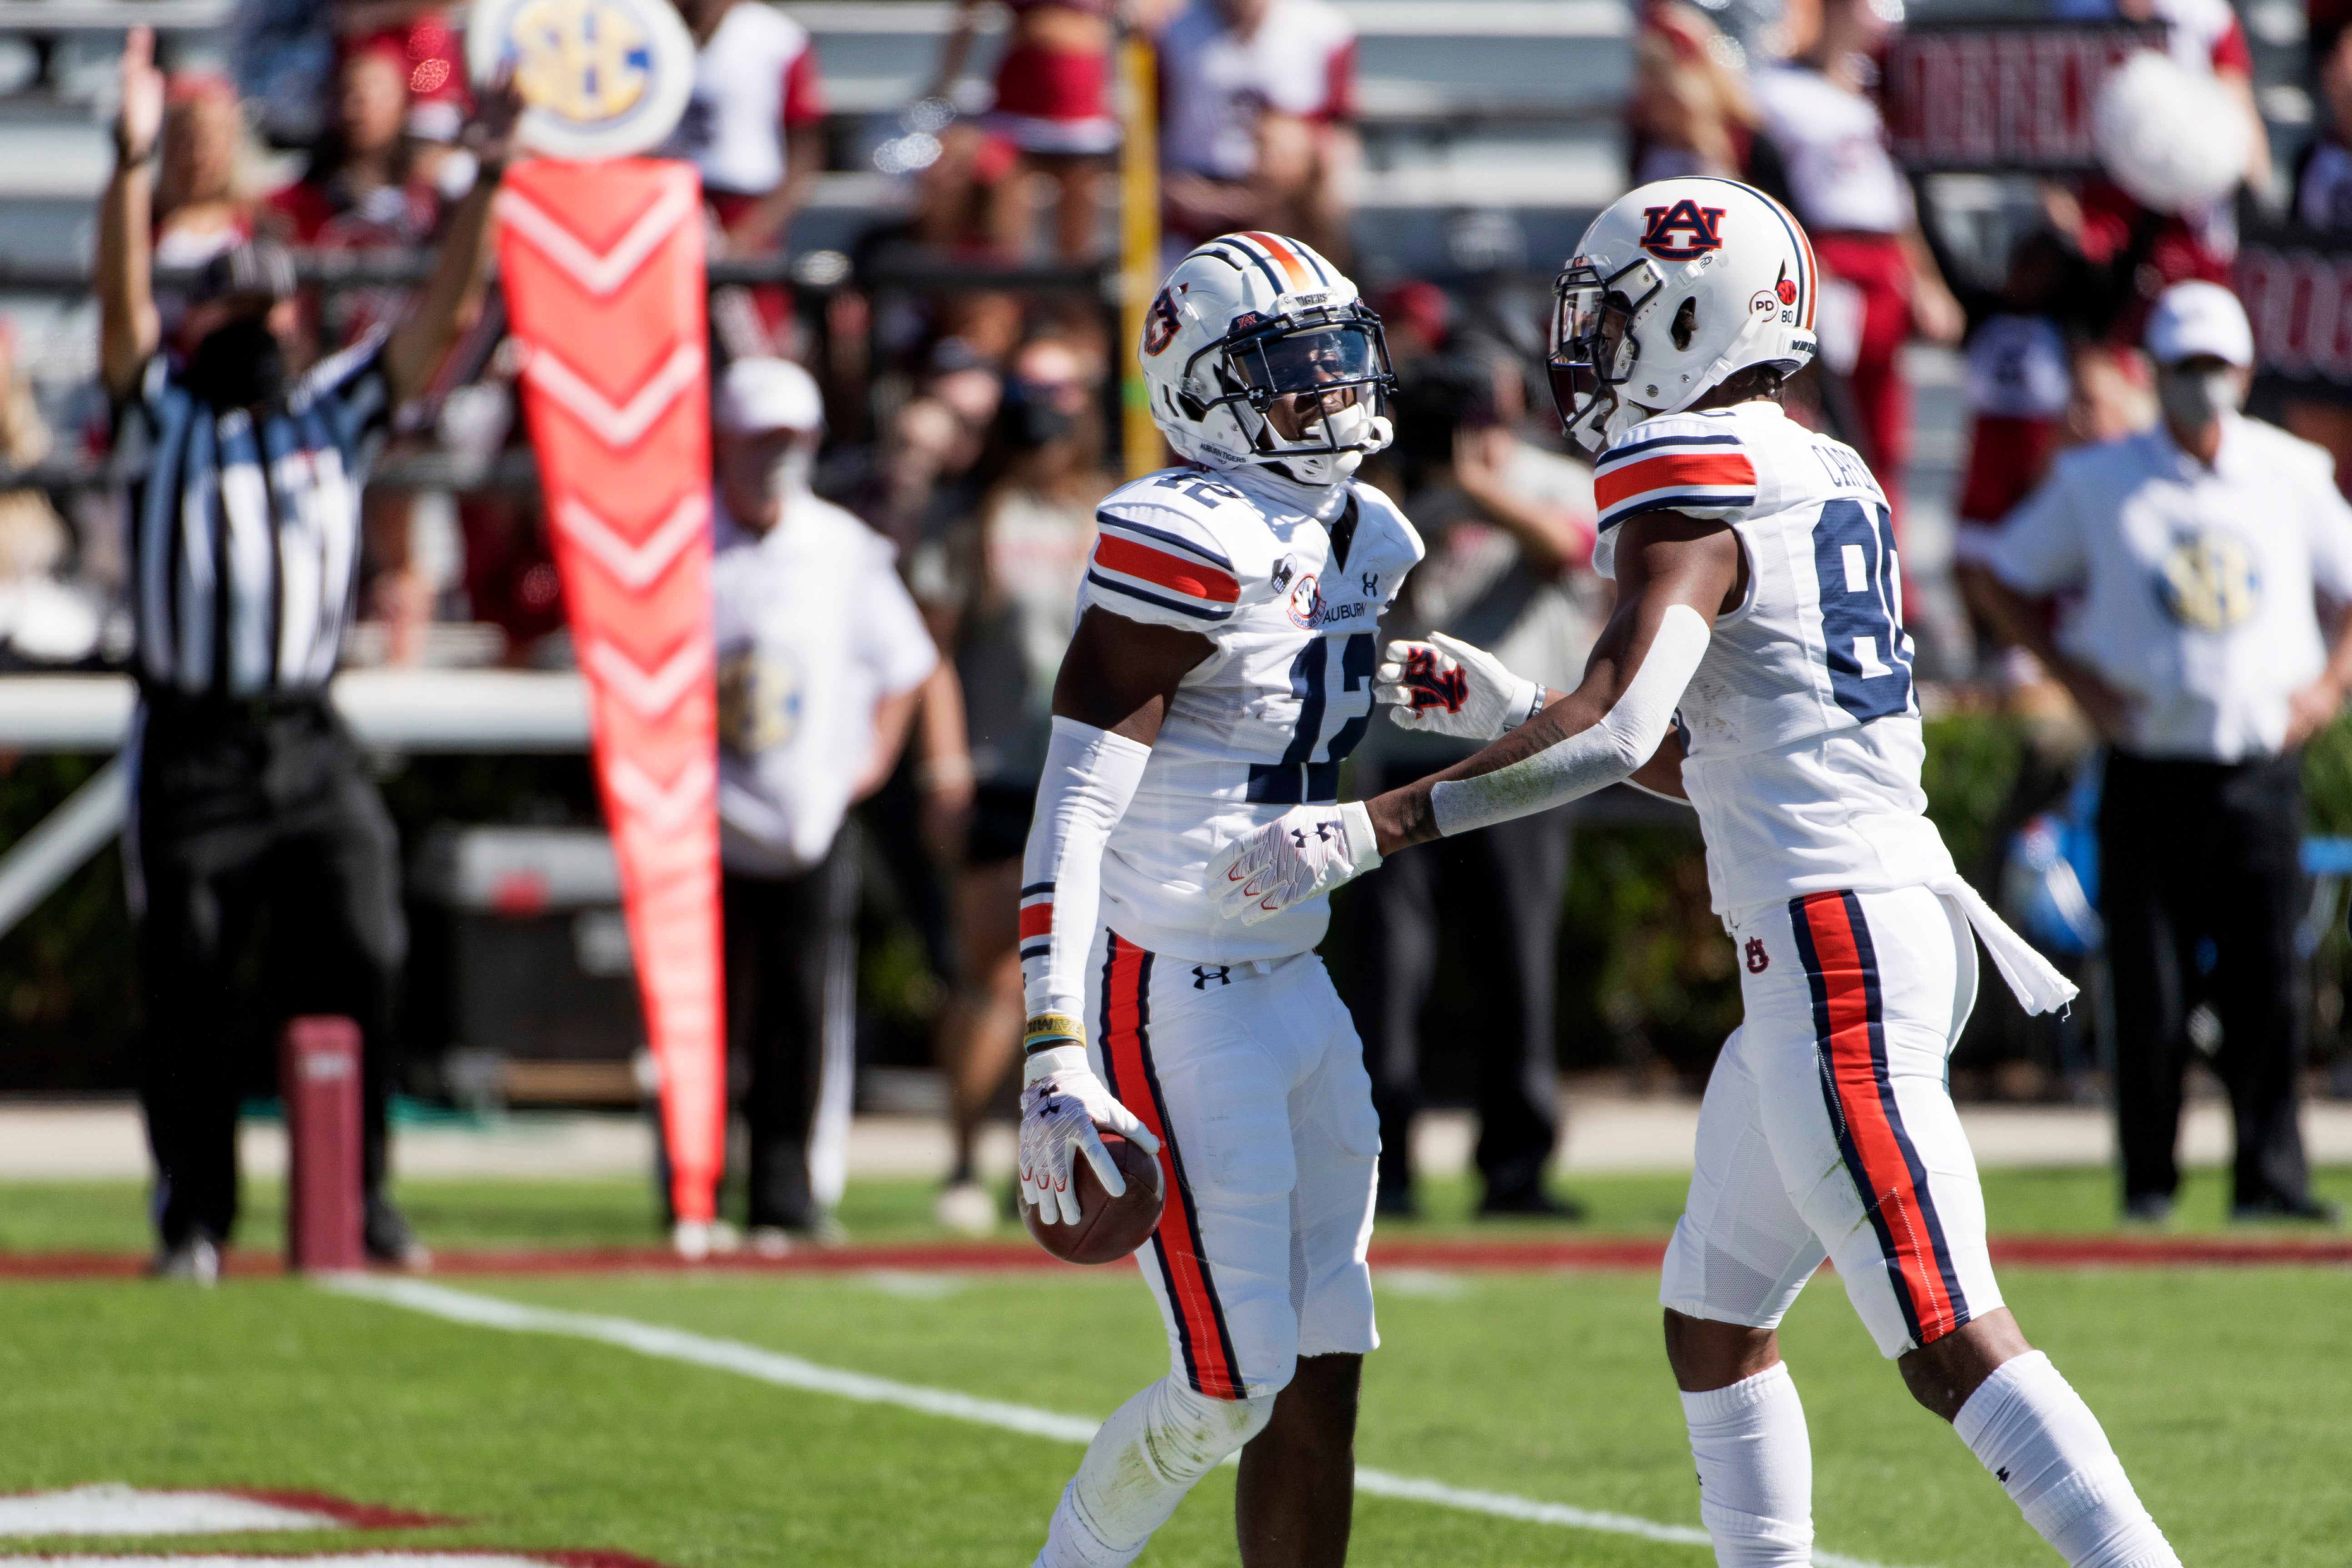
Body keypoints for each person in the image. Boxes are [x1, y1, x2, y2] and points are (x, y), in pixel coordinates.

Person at [1214, 178, 2186, 1568]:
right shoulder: (1819, 463)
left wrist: (1371, 827)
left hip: (1835, 946)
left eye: (1611, 321)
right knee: (1715, 1313)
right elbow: (1710, 753)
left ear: (1685, 312)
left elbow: (1613, 734)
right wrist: (1508, 706)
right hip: (1859, 920)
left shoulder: (1690, 475)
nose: (1591, 352)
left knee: (1946, 1333)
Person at [1016, 231, 1419, 1566]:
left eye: (1333, 358)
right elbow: (1074, 803)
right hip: (1167, 991)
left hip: (1297, 981)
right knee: (1223, 1390)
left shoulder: (1369, 530)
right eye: (1287, 373)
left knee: (1323, 1363)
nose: (1329, 394)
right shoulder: (1175, 540)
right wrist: (1051, 1044)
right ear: (1198, 387)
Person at [98, 29, 516, 1282]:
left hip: (305, 735)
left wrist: (488, 185)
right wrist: (127, 167)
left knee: (367, 941)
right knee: (190, 975)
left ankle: (365, 1190)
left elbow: (439, 320)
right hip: (190, 739)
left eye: (269, 297)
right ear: (202, 313)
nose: (257, 315)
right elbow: (119, 308)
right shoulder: (159, 410)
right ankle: (195, 1208)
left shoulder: (331, 410)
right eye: (234, 295)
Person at [1957, 282, 2352, 1225]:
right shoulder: (2100, 479)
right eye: (2182, 368)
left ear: (2242, 373)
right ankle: (2148, 1183)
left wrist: (2327, 685)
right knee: (2148, 986)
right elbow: (1996, 569)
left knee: (2265, 985)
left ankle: (2269, 1179)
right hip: (2147, 761)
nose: (2199, 386)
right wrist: (2076, 680)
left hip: (2256, 766)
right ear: (2157, 374)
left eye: (2214, 368)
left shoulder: (2288, 470)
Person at [1346, 350, 1597, 1217]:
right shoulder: (1383, 495)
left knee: (1517, 969)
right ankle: (1387, 1169)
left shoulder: (1550, 478)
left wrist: (1474, 485)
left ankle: (1516, 1168)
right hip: (1402, 759)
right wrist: (1415, 490)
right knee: (1388, 977)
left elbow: (1568, 552)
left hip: (1520, 761)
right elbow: (1356, 596)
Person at [711, 358, 939, 1250]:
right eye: (760, 439)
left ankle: (785, 1193)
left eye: (789, 441)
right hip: (702, 818)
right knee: (702, 1014)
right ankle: (691, 1187)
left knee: (801, 1012)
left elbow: (906, 663)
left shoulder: (840, 547)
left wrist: (873, 757)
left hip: (807, 816)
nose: (775, 457)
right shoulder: (679, 540)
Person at [908, 337, 1109, 1232]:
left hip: (1088, 769)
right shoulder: (970, 518)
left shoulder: (1106, 512)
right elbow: (933, 653)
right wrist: (943, 763)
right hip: (998, 772)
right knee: (998, 973)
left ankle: (1070, 1152)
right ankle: (962, 1153)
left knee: (1084, 976)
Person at [1749, 0, 1964, 521]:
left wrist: (1926, 280)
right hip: (1827, 258)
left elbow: (1894, 196)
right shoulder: (1774, 92)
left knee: (1884, 425)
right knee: (1827, 414)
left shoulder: (1870, 90)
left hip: (1884, 259)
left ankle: (1889, 554)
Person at [665, 0, 828, 354]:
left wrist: (749, 234)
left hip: (746, 214)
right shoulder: (642, 30)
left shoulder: (776, 38)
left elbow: (805, 155)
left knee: (757, 363)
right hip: (661, 213)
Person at [1155, 0, 1359, 264]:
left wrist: (1306, 205)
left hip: (1289, 207)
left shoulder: (1324, 31)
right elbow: (1145, 132)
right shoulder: (1170, 28)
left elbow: (1336, 134)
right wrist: (1172, 190)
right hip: (1192, 205)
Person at [929, 0, 1118, 259]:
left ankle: (1070, 296)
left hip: (1083, 107)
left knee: (1078, 238)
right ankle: (1003, 287)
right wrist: (946, 83)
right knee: (1001, 193)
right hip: (1018, 109)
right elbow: (967, 14)